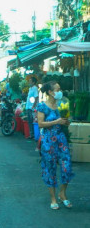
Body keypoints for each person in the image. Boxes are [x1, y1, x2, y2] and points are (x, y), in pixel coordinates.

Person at [37, 81, 73, 210]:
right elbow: (40, 124)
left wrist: (66, 122)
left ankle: (62, 193)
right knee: (50, 168)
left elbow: (66, 122)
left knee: (66, 166)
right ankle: (53, 198)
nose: (60, 91)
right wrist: (57, 121)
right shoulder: (42, 106)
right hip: (48, 141)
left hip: (61, 139)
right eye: (57, 89)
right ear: (50, 92)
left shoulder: (62, 104)